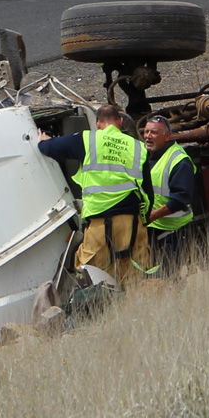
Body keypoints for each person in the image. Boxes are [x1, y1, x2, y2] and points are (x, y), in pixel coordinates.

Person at [37, 105, 150, 289]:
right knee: (133, 275)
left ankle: (104, 314)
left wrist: (43, 141)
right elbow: (147, 190)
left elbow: (52, 148)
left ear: (97, 123)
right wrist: (143, 219)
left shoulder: (87, 139)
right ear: (120, 122)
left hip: (99, 222)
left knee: (93, 275)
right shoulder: (137, 146)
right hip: (131, 221)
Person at [140, 114, 203, 274]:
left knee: (169, 278)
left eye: (153, 133)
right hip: (151, 230)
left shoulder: (179, 161)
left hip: (172, 235)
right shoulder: (143, 154)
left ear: (167, 136)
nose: (148, 136)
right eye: (146, 132)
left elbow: (181, 199)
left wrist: (152, 215)